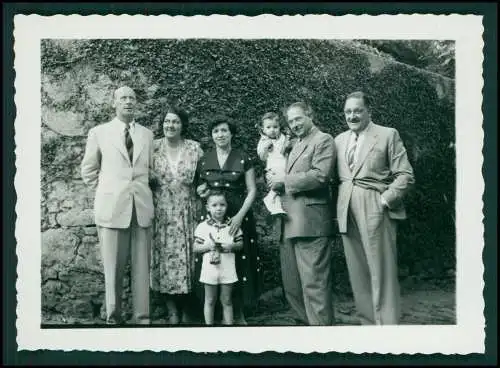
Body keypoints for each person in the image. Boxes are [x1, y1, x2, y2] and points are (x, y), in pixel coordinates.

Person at [335, 91, 415, 325]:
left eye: (358, 110)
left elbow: (405, 175)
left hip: (375, 207)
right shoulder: (339, 140)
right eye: (348, 111)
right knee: (358, 271)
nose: (352, 115)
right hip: (346, 208)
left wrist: (385, 200)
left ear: (369, 110)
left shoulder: (387, 135)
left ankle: (387, 326)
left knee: (382, 269)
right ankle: (368, 324)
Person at [81, 86, 154, 325]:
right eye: (123, 98)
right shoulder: (99, 133)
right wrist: (108, 193)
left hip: (141, 207)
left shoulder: (147, 134)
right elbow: (89, 170)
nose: (128, 102)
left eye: (132, 98)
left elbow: (149, 169)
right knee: (112, 267)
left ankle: (142, 318)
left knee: (142, 268)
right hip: (112, 208)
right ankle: (114, 317)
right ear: (114, 103)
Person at [267, 102, 336, 326]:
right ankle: (306, 335)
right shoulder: (293, 144)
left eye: (298, 119)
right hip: (287, 222)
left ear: (310, 115)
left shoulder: (323, 140)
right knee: (292, 287)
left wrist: (283, 182)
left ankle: (323, 340)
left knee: (314, 284)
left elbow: (320, 175)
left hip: (311, 222)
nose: (294, 124)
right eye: (290, 121)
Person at [195, 115, 261, 325]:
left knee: (239, 259)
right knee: (212, 259)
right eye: (216, 131)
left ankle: (238, 311)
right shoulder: (205, 159)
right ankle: (211, 312)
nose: (220, 135)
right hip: (213, 216)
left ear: (231, 133)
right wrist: (201, 191)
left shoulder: (243, 158)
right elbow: (200, 188)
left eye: (224, 130)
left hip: (237, 215)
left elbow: (252, 190)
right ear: (212, 136)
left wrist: (240, 217)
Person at [150, 106, 204, 324]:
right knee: (164, 260)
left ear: (183, 126)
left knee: (189, 258)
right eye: (166, 122)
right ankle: (171, 309)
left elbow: (204, 176)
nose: (170, 125)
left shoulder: (194, 148)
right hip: (161, 212)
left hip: (188, 212)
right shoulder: (152, 148)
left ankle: (188, 308)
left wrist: (204, 188)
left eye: (175, 122)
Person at [193, 190, 244, 325]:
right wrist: (208, 246)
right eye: (214, 205)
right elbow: (195, 248)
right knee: (209, 300)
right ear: (208, 208)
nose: (219, 208)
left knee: (226, 300)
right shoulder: (202, 227)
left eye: (222, 205)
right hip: (210, 269)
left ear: (227, 206)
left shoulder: (232, 225)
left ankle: (228, 328)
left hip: (227, 268)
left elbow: (240, 244)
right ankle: (209, 329)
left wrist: (231, 246)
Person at [256, 112, 292, 216]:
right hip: (273, 169)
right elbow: (262, 157)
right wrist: (265, 148)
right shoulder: (263, 141)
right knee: (277, 185)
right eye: (268, 127)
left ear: (280, 127)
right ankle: (272, 201)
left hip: (284, 166)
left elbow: (285, 151)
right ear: (263, 129)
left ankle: (275, 203)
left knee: (282, 187)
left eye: (275, 127)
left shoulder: (283, 138)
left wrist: (288, 141)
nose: (272, 130)